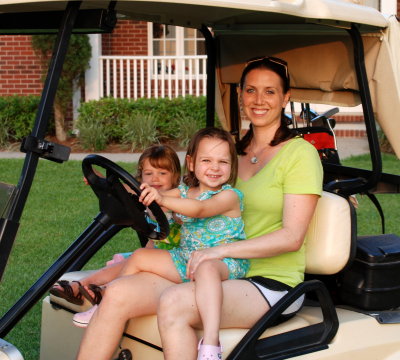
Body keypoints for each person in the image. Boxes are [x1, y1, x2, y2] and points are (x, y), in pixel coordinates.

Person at [76, 56, 323, 360]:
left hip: (268, 282)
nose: (259, 100)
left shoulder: (300, 154)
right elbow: (182, 195)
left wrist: (217, 252)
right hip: (206, 268)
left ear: (285, 98)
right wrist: (117, 188)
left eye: (270, 92)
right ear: (240, 95)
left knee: (175, 302)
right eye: (251, 90)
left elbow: (291, 237)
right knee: (117, 293)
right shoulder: (229, 153)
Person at [74, 128, 249, 355]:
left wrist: (163, 198)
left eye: (222, 162)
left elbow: (200, 209)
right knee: (140, 256)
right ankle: (103, 301)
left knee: (206, 268)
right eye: (206, 160)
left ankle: (211, 344)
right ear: (192, 163)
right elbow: (142, 193)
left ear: (231, 166)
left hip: (223, 262)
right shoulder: (186, 191)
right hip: (186, 260)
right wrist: (109, 185)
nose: (215, 167)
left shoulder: (230, 196)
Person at [49, 144, 181, 307]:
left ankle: (105, 293)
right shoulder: (144, 196)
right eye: (149, 173)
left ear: (175, 177)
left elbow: (184, 214)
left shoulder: (176, 200)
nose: (155, 178)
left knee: (129, 263)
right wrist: (97, 179)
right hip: (153, 251)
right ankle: (78, 286)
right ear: (141, 177)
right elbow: (124, 190)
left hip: (174, 261)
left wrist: (173, 209)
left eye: (162, 173)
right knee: (119, 265)